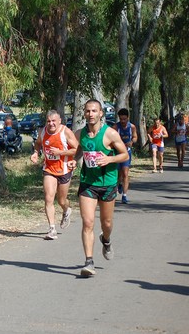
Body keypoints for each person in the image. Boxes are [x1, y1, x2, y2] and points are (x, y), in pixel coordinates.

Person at [68, 99, 129, 278]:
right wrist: (74, 160)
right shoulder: (80, 133)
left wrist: (109, 159)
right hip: (88, 183)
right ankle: (89, 261)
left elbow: (124, 153)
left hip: (108, 183)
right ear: (84, 113)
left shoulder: (110, 134)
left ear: (101, 113)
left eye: (94, 111)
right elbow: (80, 150)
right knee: (87, 222)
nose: (91, 114)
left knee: (106, 224)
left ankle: (106, 239)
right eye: (88, 111)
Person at [30, 110, 78, 240]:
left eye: (53, 121)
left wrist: (60, 152)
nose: (51, 124)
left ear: (59, 121)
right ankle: (52, 229)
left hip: (64, 169)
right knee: (48, 198)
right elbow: (38, 143)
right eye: (48, 121)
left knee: (61, 200)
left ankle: (66, 210)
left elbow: (77, 149)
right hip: (49, 169)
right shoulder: (43, 132)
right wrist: (35, 152)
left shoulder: (65, 132)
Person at [112, 108, 137, 204]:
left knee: (125, 173)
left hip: (127, 153)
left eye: (124, 119)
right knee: (119, 175)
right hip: (117, 154)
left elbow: (135, 137)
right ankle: (119, 185)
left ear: (128, 118)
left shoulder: (132, 127)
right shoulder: (115, 127)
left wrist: (132, 142)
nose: (122, 121)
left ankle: (124, 196)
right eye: (121, 119)